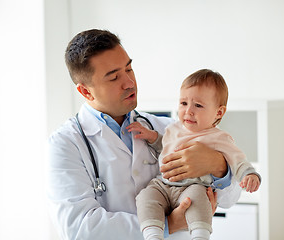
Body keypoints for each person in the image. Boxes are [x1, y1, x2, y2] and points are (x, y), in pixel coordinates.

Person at [46, 29, 241, 240]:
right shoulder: (65, 144)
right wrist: (169, 224)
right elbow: (80, 228)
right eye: (114, 78)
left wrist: (219, 167)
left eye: (129, 69)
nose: (130, 82)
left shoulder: (170, 129)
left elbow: (229, 199)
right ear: (86, 91)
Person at [127, 69, 261, 240]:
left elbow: (237, 160)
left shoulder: (218, 137)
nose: (188, 111)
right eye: (183, 103)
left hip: (193, 187)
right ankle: (153, 234)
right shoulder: (174, 128)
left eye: (198, 105)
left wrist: (249, 174)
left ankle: (200, 235)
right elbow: (165, 145)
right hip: (163, 185)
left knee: (199, 201)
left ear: (218, 113)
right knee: (145, 197)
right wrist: (151, 136)